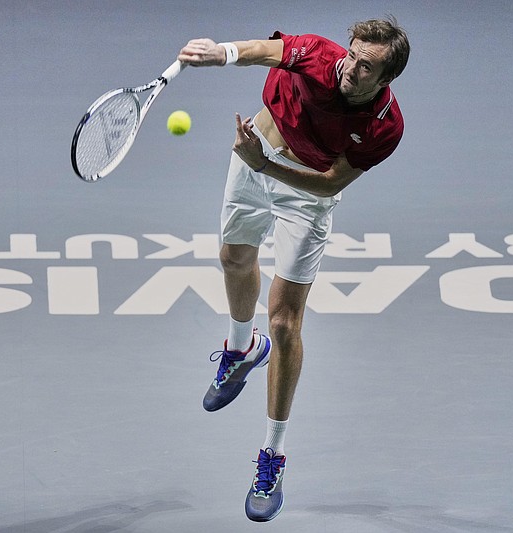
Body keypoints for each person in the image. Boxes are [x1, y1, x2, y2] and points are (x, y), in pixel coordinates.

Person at [177, 17, 410, 522]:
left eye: (365, 66)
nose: (350, 67)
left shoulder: (384, 127)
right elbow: (264, 50)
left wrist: (265, 167)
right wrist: (219, 53)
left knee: (285, 322)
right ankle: (241, 349)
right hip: (253, 151)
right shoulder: (319, 56)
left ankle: (272, 456)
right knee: (233, 259)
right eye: (352, 54)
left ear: (385, 79)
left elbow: (329, 183)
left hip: (303, 194)